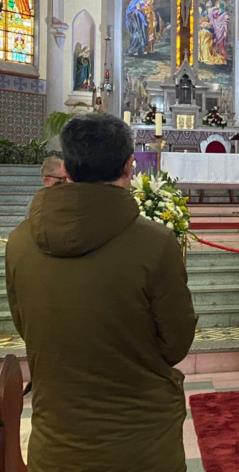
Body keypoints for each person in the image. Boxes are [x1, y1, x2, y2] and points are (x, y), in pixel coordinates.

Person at [5, 112, 197, 470]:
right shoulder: (155, 244)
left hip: (57, 442)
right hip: (143, 447)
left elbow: (24, 325)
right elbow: (176, 344)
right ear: (129, 167)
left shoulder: (18, 243)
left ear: (69, 168)